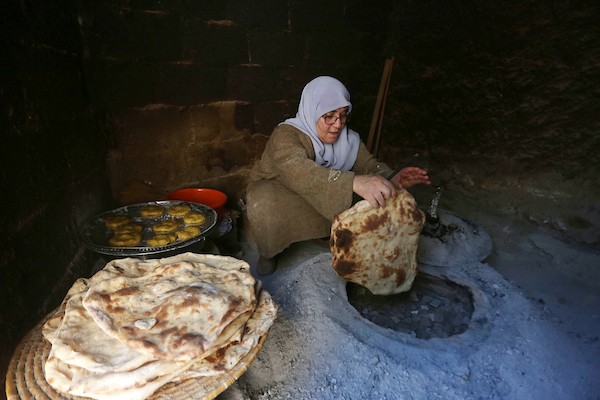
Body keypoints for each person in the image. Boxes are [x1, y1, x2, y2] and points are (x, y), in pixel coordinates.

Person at [245, 76, 430, 275]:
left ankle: (329, 233)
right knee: (265, 203)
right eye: (329, 116)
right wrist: (354, 182)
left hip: (324, 188)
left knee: (353, 196)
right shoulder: (286, 134)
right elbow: (297, 169)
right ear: (312, 110)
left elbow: (367, 163)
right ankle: (269, 251)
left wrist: (391, 177)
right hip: (281, 188)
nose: (337, 124)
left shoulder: (348, 138)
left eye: (343, 115)